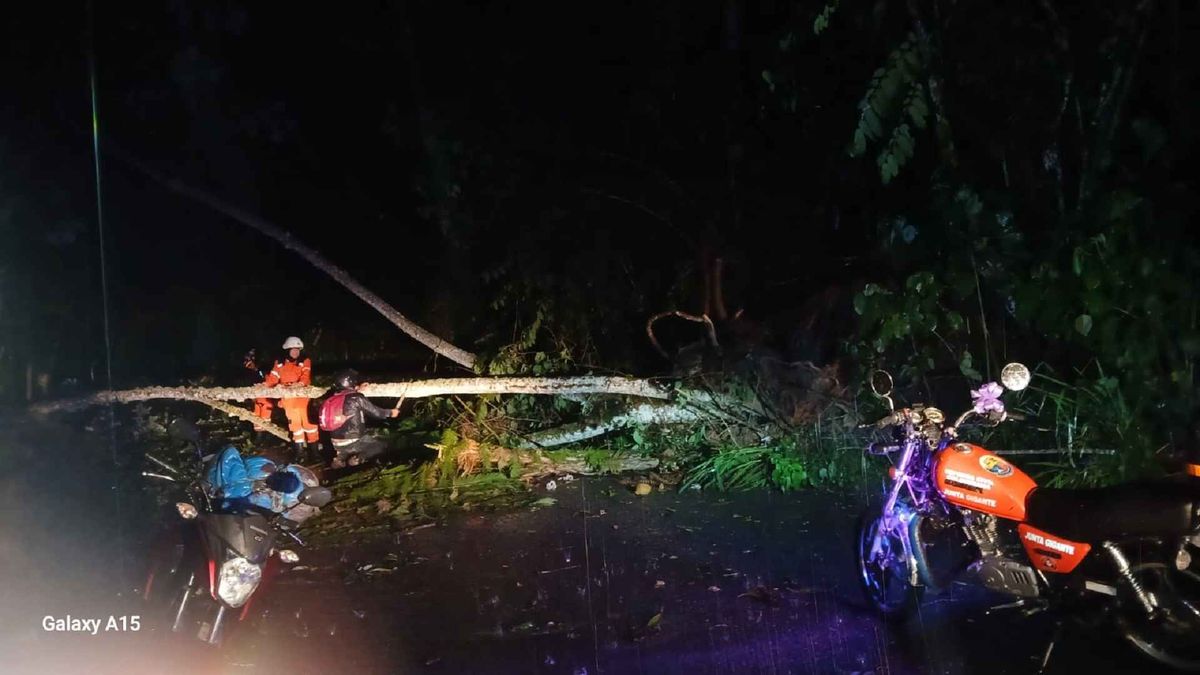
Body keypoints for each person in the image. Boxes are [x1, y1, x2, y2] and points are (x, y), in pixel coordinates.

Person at [205, 446, 326, 528]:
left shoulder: (293, 507)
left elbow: (281, 525)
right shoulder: (263, 472)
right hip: (219, 503)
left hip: (244, 524)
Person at [254, 336, 319, 460]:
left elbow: (306, 376)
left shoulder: (305, 360)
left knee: (309, 424)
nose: (296, 352)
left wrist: (299, 384)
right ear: (287, 350)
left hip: (302, 397)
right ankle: (299, 453)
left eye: (298, 349)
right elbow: (273, 378)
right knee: (295, 426)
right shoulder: (279, 363)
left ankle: (314, 453)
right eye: (293, 349)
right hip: (288, 399)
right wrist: (264, 384)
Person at [320, 368, 401, 468]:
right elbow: (377, 413)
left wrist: (358, 389)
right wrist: (391, 412)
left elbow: (347, 395)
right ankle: (359, 458)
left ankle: (340, 458)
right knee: (381, 445)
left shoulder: (332, 398)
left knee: (348, 447)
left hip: (336, 442)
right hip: (355, 440)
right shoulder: (356, 398)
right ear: (351, 381)